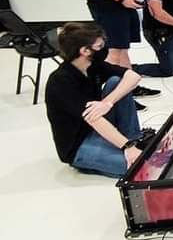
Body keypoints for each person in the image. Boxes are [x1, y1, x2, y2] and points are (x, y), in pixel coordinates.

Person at [44, 22, 148, 178]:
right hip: (79, 143)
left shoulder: (93, 65)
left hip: (99, 127)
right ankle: (87, 163)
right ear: (85, 51)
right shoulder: (60, 81)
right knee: (141, 167)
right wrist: (127, 147)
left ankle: (132, 136)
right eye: (99, 46)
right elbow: (93, 119)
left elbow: (132, 76)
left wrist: (107, 102)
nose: (104, 49)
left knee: (116, 82)